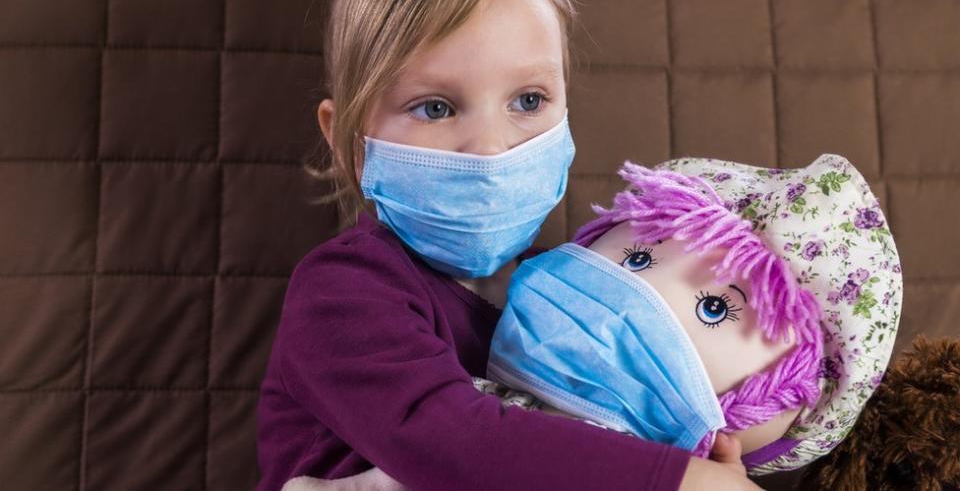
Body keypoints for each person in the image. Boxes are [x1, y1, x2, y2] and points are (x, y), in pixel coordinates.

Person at [255, 0, 762, 490]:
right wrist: (681, 481)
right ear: (347, 143)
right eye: (435, 108)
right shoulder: (340, 293)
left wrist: (714, 452)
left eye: (527, 99)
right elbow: (453, 444)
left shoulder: (571, 287)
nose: (492, 150)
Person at [283, 154, 903, 490]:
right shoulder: (352, 286)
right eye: (635, 257)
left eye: (716, 308)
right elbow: (449, 439)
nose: (481, 147)